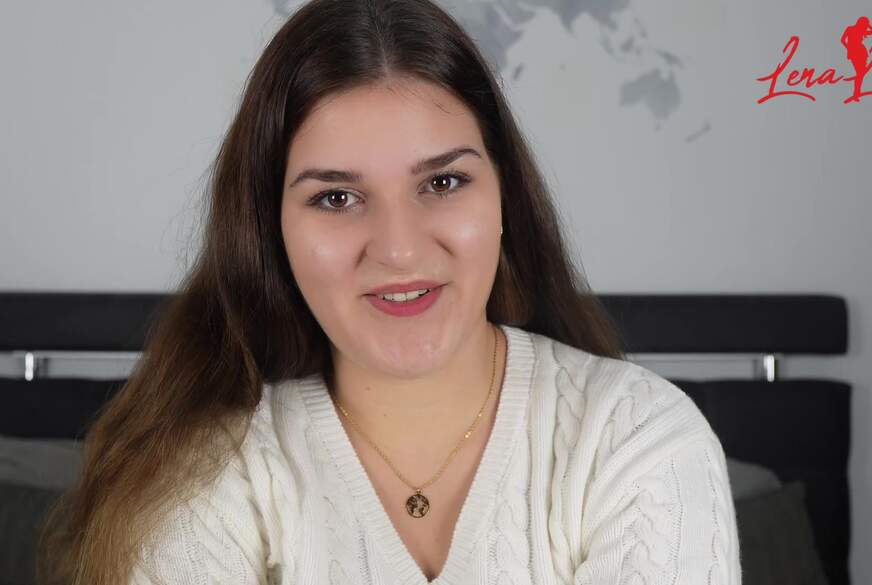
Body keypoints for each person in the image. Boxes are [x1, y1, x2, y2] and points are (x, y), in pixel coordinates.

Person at [37, 0, 742, 584]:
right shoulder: (203, 469)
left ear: (504, 198)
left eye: (443, 182)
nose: (399, 249)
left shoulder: (636, 439)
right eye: (337, 197)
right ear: (270, 226)